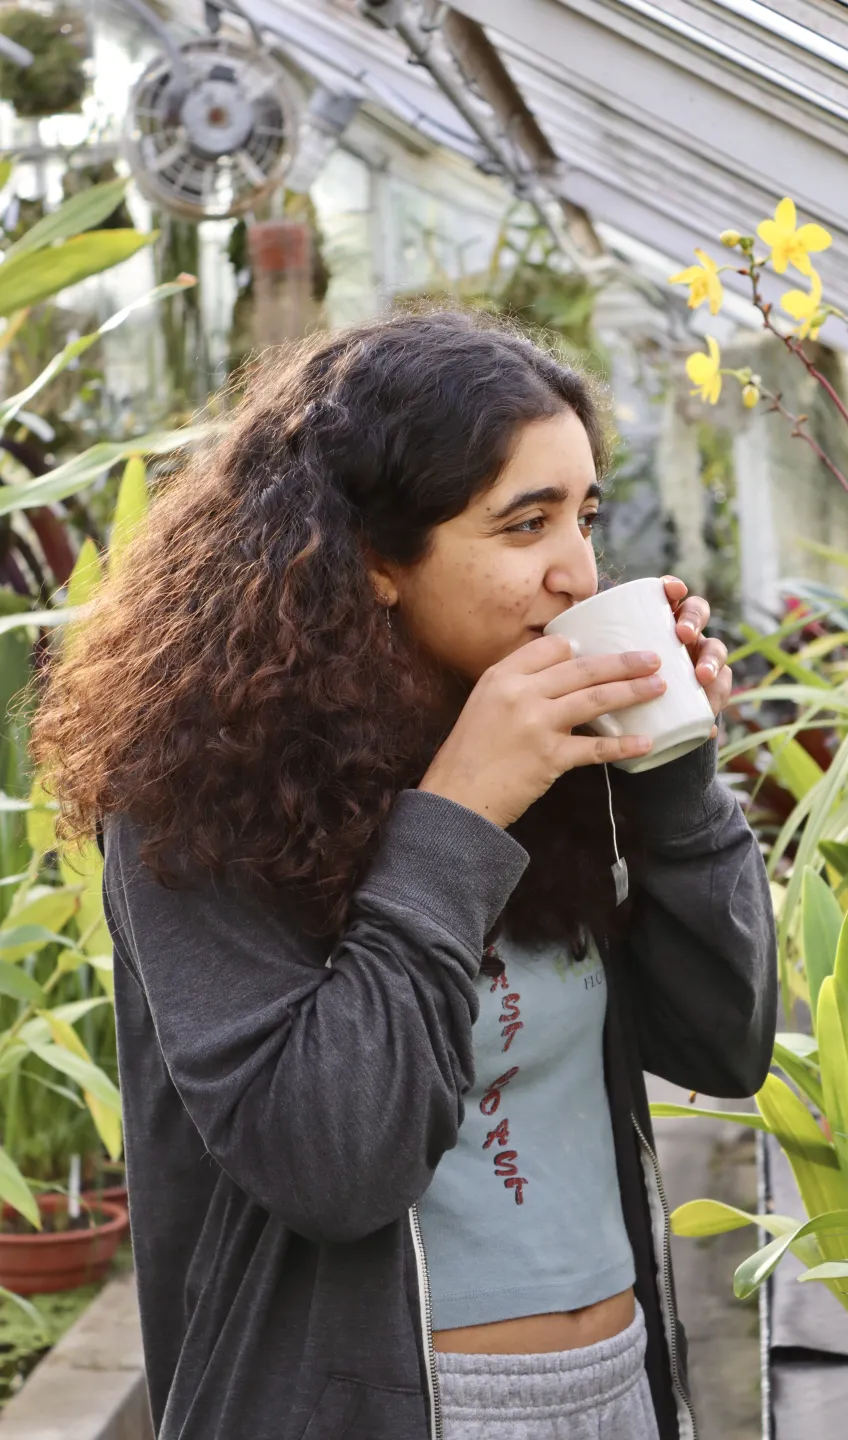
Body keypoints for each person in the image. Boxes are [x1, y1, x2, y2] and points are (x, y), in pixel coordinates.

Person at [32, 310, 777, 1440]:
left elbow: (729, 1045)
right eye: (524, 524)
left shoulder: (558, 749)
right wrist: (461, 814)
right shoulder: (197, 799)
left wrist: (669, 770)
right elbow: (332, 1163)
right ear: (376, 559)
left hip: (618, 1390)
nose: (578, 570)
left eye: (586, 514)